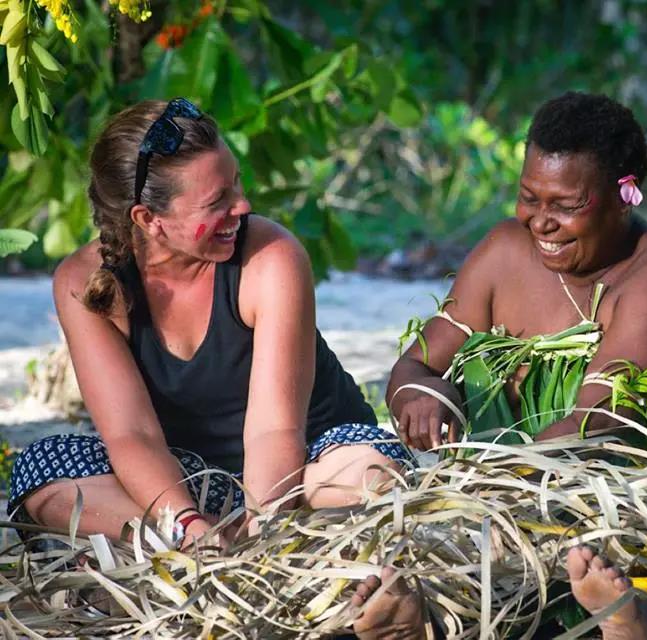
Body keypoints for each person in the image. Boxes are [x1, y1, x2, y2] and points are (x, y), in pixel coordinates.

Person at [7, 99, 410, 556]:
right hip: (186, 482)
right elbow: (131, 435)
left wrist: (263, 527)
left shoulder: (271, 256)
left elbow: (274, 431)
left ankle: (239, 540)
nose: (244, 205)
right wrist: (187, 525)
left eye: (236, 184)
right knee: (43, 476)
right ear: (148, 220)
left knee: (374, 473)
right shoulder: (84, 283)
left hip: (309, 465)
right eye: (217, 201)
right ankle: (194, 544)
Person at [387, 91, 647, 638]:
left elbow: (595, 425)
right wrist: (421, 397)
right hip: (511, 496)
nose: (540, 222)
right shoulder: (504, 252)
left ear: (626, 194)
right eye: (529, 198)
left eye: (567, 206)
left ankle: (631, 614)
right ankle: (428, 613)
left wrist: (473, 492)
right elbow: (414, 365)